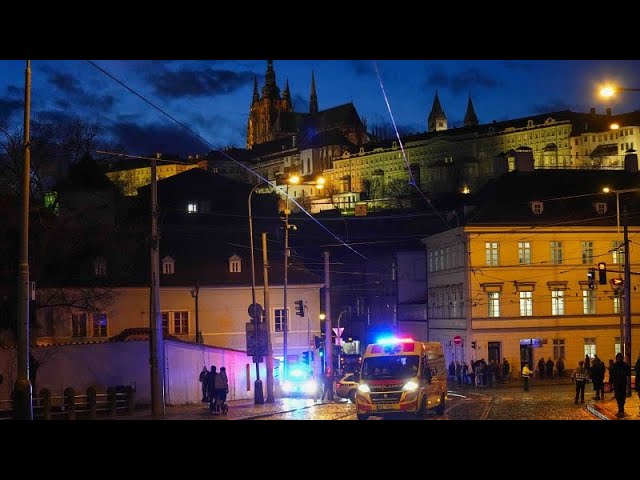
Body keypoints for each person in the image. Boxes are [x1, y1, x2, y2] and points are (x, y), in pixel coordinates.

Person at [609, 352, 631, 418]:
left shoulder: (624, 365)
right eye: (617, 357)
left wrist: (623, 374)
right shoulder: (615, 365)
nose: (618, 358)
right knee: (618, 396)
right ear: (616, 358)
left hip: (622, 383)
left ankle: (621, 407)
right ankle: (620, 408)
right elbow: (611, 374)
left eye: (619, 357)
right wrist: (612, 382)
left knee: (622, 396)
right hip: (617, 383)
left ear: (621, 358)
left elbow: (628, 372)